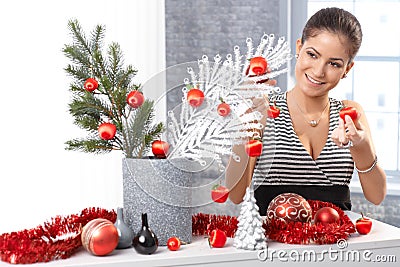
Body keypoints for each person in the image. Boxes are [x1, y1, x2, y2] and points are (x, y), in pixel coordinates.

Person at [226, 7, 387, 215]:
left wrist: (361, 145)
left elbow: (376, 196)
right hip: (271, 245)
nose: (319, 71)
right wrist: (246, 121)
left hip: (336, 245)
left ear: (347, 69)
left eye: (334, 64)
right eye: (312, 54)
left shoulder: (350, 113)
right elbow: (235, 195)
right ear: (299, 47)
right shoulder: (264, 109)